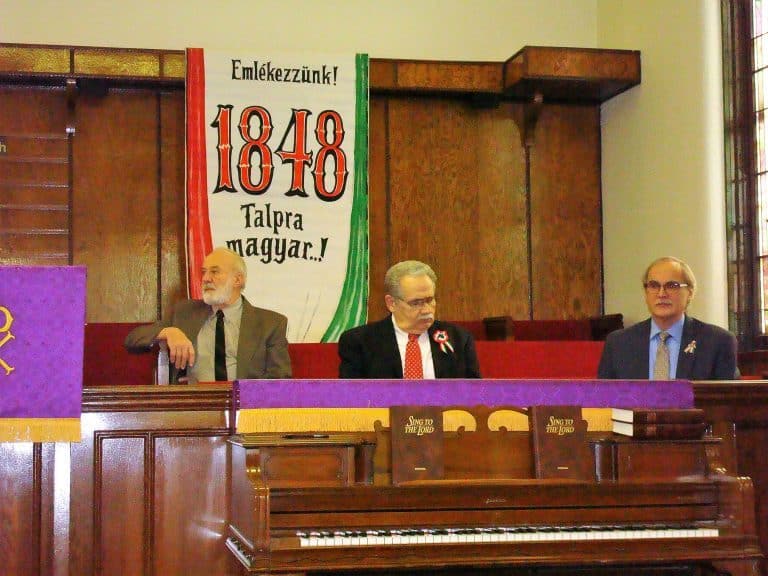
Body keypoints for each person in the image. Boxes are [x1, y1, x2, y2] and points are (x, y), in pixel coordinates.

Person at [125, 247, 291, 382]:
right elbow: (132, 340)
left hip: (245, 406)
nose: (205, 278)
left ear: (237, 280)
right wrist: (168, 332)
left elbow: (281, 379)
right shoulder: (184, 313)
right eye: (204, 272)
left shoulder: (271, 324)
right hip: (194, 406)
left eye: (214, 272)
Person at [597, 256, 737, 380]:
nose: (661, 294)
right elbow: (603, 398)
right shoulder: (619, 343)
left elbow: (729, 399)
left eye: (671, 286)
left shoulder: (717, 342)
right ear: (646, 292)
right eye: (654, 286)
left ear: (690, 292)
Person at [338, 260, 481, 379]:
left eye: (429, 300)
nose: (426, 310)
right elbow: (351, 396)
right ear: (391, 303)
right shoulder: (359, 342)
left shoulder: (459, 339)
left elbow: (475, 394)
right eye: (416, 303)